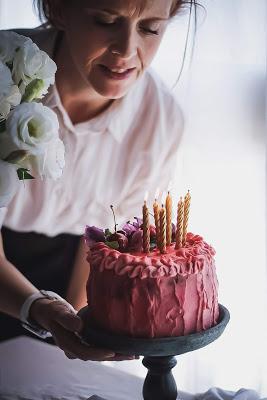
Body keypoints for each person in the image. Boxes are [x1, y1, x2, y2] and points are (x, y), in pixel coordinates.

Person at [0, 0, 193, 360]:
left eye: (151, 28)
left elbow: (101, 248)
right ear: (59, 9)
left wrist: (77, 328)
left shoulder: (161, 121)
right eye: (105, 21)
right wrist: (37, 308)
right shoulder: (5, 74)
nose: (126, 50)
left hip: (73, 274)